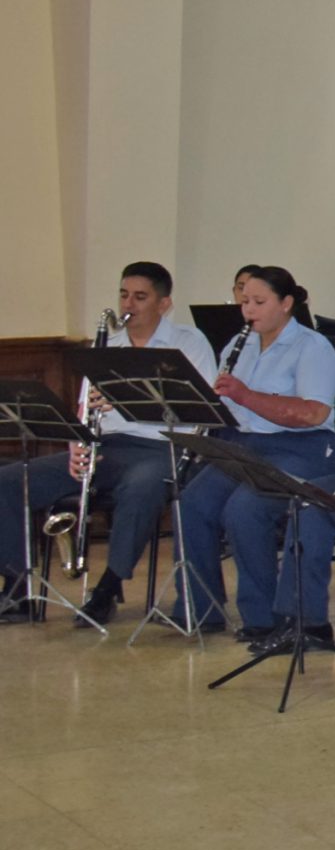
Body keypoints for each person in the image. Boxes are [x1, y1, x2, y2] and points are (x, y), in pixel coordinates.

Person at [0, 263, 218, 627]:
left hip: (164, 447)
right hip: (108, 446)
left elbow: (200, 414)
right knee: (8, 480)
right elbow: (84, 409)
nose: (127, 303)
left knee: (142, 487)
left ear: (164, 304)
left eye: (139, 296)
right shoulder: (107, 345)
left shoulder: (188, 343)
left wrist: (128, 398)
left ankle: (108, 586)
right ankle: (17, 586)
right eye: (123, 294)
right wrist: (76, 445)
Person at [175, 265, 335, 651]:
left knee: (244, 509)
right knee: (193, 502)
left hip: (305, 447)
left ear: (286, 304)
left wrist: (245, 395)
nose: (248, 310)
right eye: (245, 301)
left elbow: (313, 414)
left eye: (258, 302)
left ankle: (265, 618)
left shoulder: (312, 347)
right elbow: (230, 406)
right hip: (246, 443)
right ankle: (201, 608)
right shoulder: (241, 344)